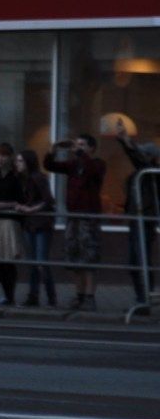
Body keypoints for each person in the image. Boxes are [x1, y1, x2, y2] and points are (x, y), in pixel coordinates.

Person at [46, 133, 105, 311]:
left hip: (89, 217)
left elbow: (91, 171)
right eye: (77, 144)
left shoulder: (97, 163)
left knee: (89, 258)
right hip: (73, 217)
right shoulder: (73, 165)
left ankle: (89, 297)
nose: (78, 148)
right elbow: (50, 166)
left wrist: (80, 154)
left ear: (91, 148)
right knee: (74, 258)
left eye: (82, 145)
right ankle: (79, 296)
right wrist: (53, 149)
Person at [113, 120, 159, 306]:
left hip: (145, 220)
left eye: (144, 153)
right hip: (136, 219)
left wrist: (125, 140)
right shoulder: (140, 173)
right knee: (135, 261)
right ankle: (143, 297)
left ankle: (144, 298)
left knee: (140, 259)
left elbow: (138, 158)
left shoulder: (151, 173)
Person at [0, 144, 29, 308]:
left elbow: (19, 201)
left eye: (4, 156)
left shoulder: (15, 177)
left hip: (8, 221)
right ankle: (7, 295)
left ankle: (10, 296)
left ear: (10, 158)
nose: (0, 159)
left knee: (7, 260)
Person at [14, 149, 58, 309]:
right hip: (29, 225)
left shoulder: (38, 178)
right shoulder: (21, 179)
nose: (17, 164)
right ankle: (33, 296)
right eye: (17, 161)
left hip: (41, 224)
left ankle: (51, 297)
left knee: (41, 262)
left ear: (28, 163)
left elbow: (49, 200)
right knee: (33, 262)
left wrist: (30, 209)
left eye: (20, 161)